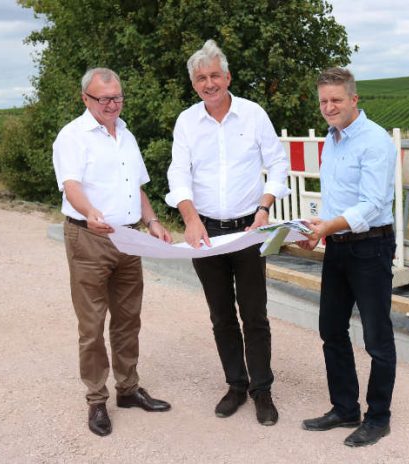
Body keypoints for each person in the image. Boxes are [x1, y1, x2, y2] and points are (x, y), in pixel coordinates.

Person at [165, 39, 289, 426]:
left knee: (255, 314)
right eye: (201, 78)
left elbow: (279, 163)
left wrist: (265, 207)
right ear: (194, 84)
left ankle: (262, 390)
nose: (209, 83)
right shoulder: (187, 121)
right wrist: (189, 217)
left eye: (214, 75)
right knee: (221, 315)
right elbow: (178, 173)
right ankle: (236, 385)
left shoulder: (253, 115)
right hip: (206, 233)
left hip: (249, 230)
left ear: (228, 76)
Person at [53, 67, 173, 437]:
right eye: (103, 98)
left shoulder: (126, 134)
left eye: (117, 97)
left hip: (129, 238)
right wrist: (89, 213)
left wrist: (152, 221)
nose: (111, 104)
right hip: (88, 239)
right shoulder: (72, 136)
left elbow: (135, 187)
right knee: (92, 326)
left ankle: (128, 389)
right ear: (85, 99)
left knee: (127, 319)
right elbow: (71, 185)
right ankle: (95, 400)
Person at [298, 67, 397, 447]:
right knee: (331, 330)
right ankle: (344, 408)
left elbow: (372, 204)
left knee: (376, 337)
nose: (328, 107)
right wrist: (319, 230)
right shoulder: (332, 138)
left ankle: (378, 417)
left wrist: (329, 227)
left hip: (371, 247)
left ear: (355, 99)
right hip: (338, 246)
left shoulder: (375, 141)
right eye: (323, 100)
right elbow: (340, 200)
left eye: (336, 100)